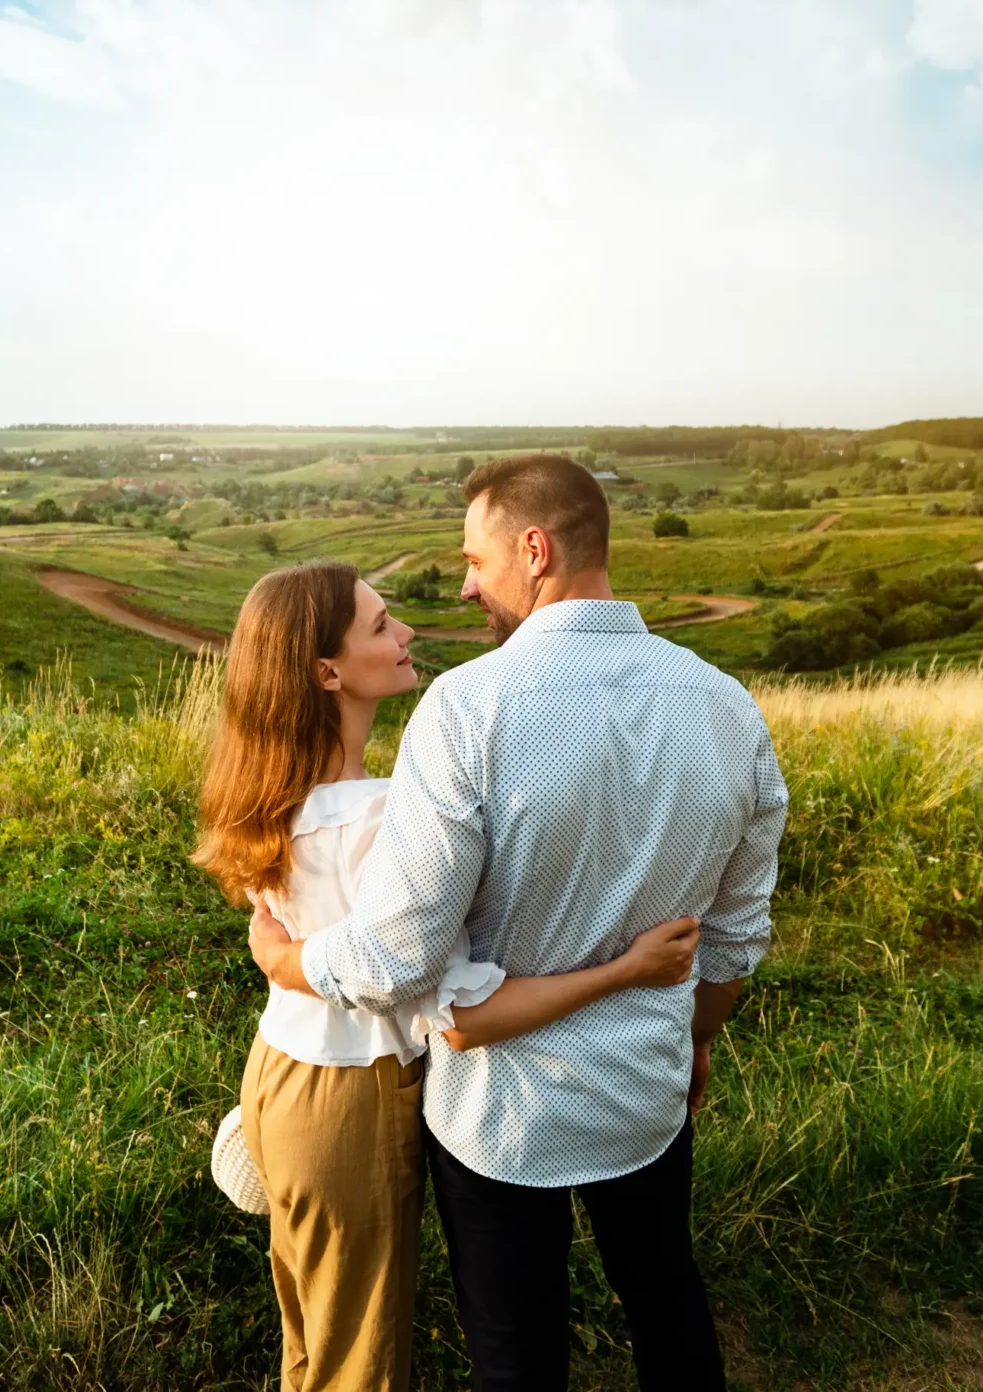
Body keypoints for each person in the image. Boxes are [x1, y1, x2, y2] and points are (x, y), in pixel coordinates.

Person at [248, 454, 787, 1392]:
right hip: (647, 1091)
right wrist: (694, 1038)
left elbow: (401, 951)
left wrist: (289, 958)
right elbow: (736, 937)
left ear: (534, 551)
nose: (463, 583)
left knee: (515, 1351)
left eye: (475, 559)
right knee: (664, 1297)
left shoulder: (468, 710)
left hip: (499, 1109)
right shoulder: (727, 707)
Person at [194, 560, 709, 1392]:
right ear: (326, 672)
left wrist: (288, 963)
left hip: (281, 1076)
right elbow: (461, 1013)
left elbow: (299, 947)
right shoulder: (381, 817)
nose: (406, 635)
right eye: (379, 625)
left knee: (311, 1337)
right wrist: (624, 969)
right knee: (357, 1356)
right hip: (352, 1094)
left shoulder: (269, 793)